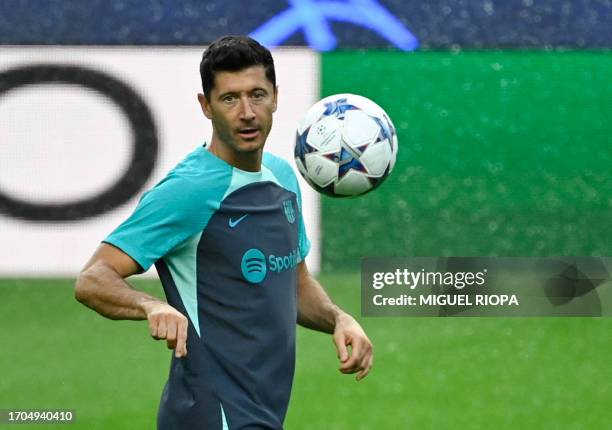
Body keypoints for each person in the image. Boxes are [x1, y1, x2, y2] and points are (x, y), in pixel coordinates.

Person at [75, 35, 373, 430]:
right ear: (206, 106)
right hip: (210, 415)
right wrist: (152, 306)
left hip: (261, 415)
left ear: (276, 97)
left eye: (257, 95)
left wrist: (338, 318)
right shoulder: (189, 191)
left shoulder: (283, 177)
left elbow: (294, 284)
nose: (247, 112)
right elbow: (93, 279)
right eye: (230, 99)